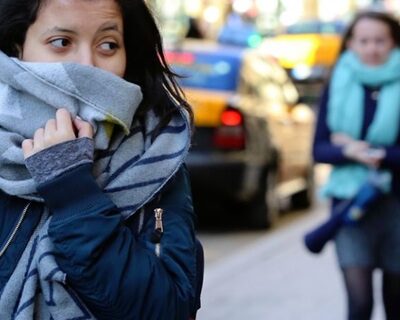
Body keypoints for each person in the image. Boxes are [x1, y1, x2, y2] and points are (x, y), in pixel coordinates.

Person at [0, 0, 203, 319]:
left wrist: (74, 193)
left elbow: (171, 308)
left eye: (108, 45)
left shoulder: (156, 160)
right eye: (61, 42)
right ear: (17, 47)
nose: (87, 65)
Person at [313, 10, 400, 320]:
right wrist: (349, 151)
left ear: (393, 43)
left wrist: (376, 153)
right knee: (360, 304)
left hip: (395, 205)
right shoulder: (338, 81)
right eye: (363, 41)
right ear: (350, 43)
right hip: (350, 206)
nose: (371, 48)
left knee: (396, 303)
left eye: (380, 41)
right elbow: (319, 148)